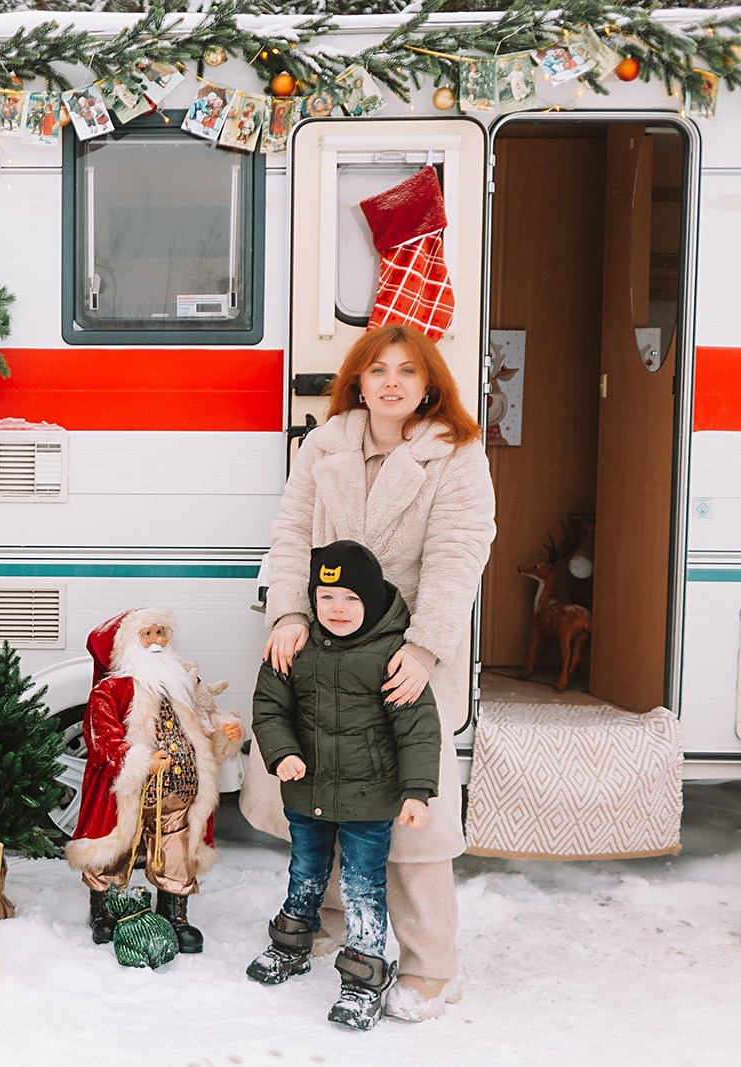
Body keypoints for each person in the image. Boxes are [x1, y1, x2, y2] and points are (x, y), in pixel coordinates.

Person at [241, 323, 494, 1020]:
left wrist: (425, 647)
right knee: (321, 787)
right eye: (378, 369)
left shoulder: (456, 452)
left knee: (409, 816)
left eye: (407, 371)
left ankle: (433, 967)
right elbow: (292, 535)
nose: (391, 382)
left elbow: (457, 555)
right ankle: (326, 923)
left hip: (403, 654)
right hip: (322, 647)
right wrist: (288, 614)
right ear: (357, 380)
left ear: (429, 384)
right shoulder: (324, 444)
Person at [246, 541, 441, 1031]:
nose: (338, 608)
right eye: (327, 596)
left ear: (372, 601)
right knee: (306, 870)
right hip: (307, 790)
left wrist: (417, 791)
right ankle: (291, 943)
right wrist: (282, 753)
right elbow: (269, 707)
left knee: (362, 886)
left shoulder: (394, 656)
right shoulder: (295, 646)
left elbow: (418, 729)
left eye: (352, 598)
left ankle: (363, 976)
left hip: (370, 800)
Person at [66, 608, 243, 952]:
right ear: (128, 644)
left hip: (179, 790)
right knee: (115, 846)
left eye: (162, 632)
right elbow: (101, 737)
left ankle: (173, 913)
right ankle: (105, 908)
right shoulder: (111, 690)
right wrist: (139, 759)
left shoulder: (183, 685)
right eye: (147, 634)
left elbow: (205, 720)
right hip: (130, 791)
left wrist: (227, 730)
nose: (157, 641)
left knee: (177, 850)